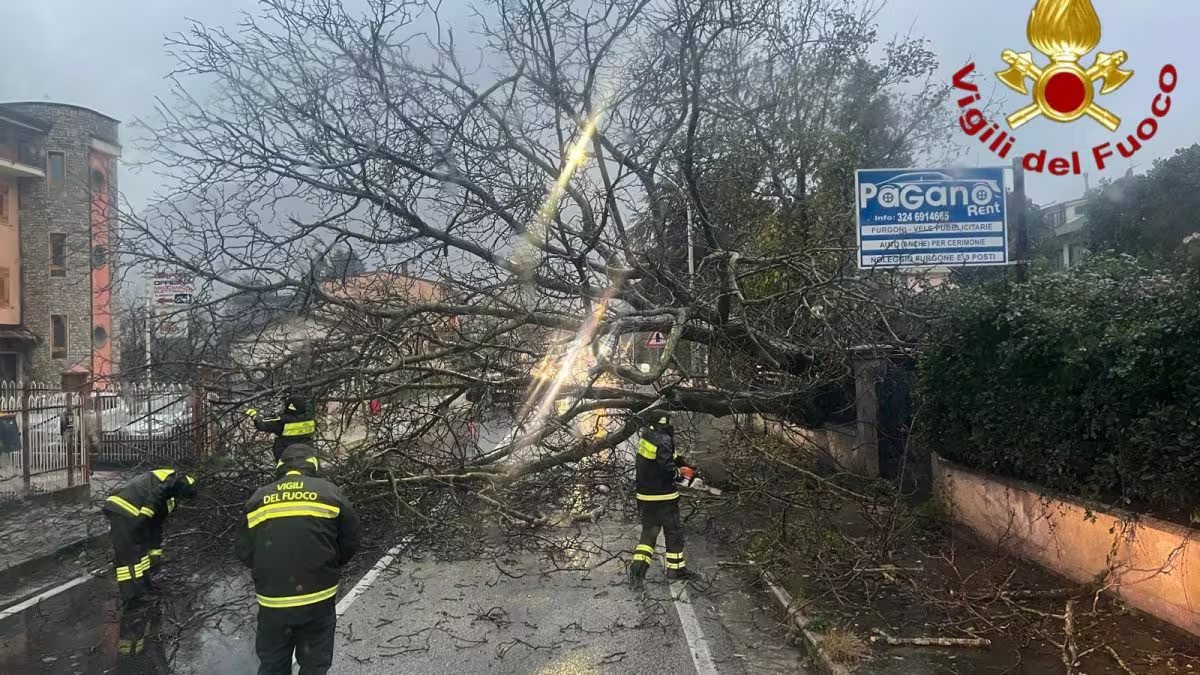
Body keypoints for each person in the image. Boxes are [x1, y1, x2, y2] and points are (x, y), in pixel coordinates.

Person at [236, 444, 361, 675]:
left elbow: (244, 549)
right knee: (314, 664)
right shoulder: (330, 492)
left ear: (280, 468)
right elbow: (351, 540)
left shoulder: (258, 497)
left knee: (273, 664)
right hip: (317, 599)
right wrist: (327, 565)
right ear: (313, 466)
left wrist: (270, 568)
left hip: (273, 603)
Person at [102, 468, 198, 604]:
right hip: (123, 509)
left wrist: (154, 554)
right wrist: (142, 519)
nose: (183, 499)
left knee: (142, 552)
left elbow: (156, 527)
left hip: (134, 512)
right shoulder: (173, 481)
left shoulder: (171, 497)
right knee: (128, 555)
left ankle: (144, 587)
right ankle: (132, 597)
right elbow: (154, 500)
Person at [628, 413, 699, 589]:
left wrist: (687, 466)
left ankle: (637, 571)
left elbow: (672, 457)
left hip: (645, 496)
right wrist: (681, 476)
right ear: (666, 423)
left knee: (649, 535)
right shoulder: (664, 439)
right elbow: (667, 468)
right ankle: (676, 570)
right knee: (673, 532)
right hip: (664, 497)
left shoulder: (647, 436)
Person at [245, 394, 316, 461]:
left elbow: (262, 424)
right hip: (308, 456)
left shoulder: (282, 421)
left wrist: (255, 415)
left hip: (286, 457)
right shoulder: (311, 420)